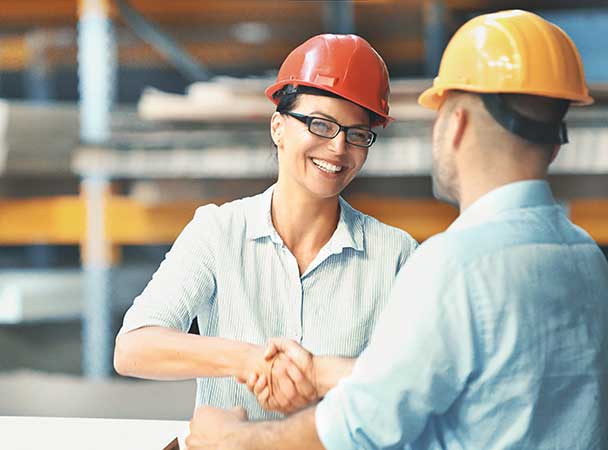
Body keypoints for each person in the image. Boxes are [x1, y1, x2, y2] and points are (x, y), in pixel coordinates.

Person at [186, 9, 608, 449]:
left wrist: (232, 438)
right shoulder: (587, 260)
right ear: (555, 144)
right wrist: (315, 370)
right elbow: (442, 372)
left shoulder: (453, 266)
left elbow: (359, 428)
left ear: (455, 124)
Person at [113, 34, 417, 420]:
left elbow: (410, 382)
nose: (339, 148)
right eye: (320, 125)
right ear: (278, 127)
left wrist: (317, 375)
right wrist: (250, 360)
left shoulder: (396, 255)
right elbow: (133, 348)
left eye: (357, 135)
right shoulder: (218, 232)